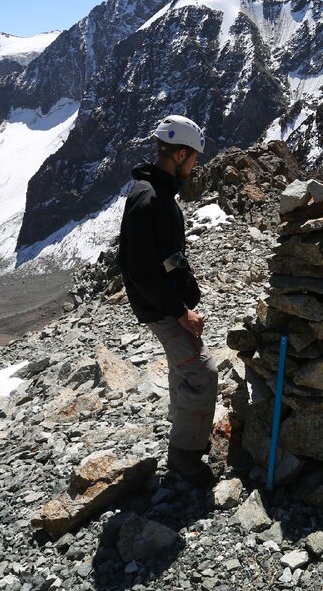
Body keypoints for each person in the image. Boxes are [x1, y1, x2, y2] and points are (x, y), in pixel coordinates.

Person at [117, 114, 218, 487]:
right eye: (193, 158)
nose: (195, 165)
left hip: (168, 303)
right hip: (162, 307)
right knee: (202, 374)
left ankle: (184, 437)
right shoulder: (149, 199)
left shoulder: (156, 192)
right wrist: (180, 312)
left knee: (182, 368)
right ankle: (184, 458)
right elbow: (142, 271)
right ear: (178, 154)